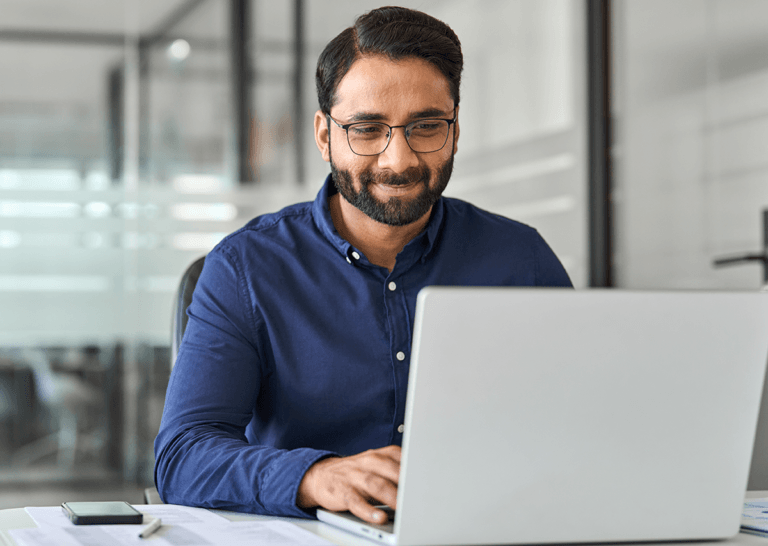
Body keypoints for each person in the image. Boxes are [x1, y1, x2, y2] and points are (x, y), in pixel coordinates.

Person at [154, 5, 572, 526]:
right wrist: (314, 477)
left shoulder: (522, 260)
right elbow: (183, 457)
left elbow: (582, 425)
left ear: (456, 130)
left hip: (487, 527)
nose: (398, 160)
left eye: (425, 126)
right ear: (325, 134)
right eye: (367, 129)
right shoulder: (245, 268)